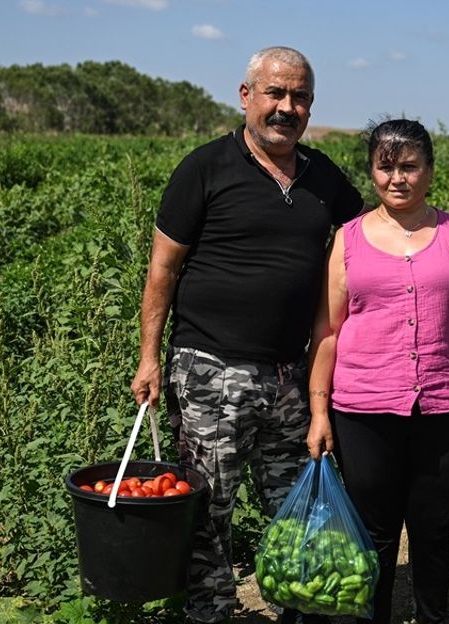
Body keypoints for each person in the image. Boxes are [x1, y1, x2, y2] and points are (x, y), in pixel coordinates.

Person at [130, 46, 364, 624]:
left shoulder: (323, 176)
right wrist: (149, 358)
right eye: (275, 94)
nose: (287, 108)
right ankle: (210, 612)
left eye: (300, 97)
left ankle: (303, 602)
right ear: (246, 96)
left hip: (292, 373)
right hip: (212, 369)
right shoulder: (205, 168)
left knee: (299, 500)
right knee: (209, 507)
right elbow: (163, 268)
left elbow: (377, 230)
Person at [305, 118, 449, 624]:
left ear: (430, 172)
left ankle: (432, 616)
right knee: (374, 533)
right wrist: (318, 411)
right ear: (372, 171)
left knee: (434, 530)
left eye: (410, 166)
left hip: (448, 404)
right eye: (386, 166)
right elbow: (328, 330)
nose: (398, 178)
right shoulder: (347, 240)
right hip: (364, 408)